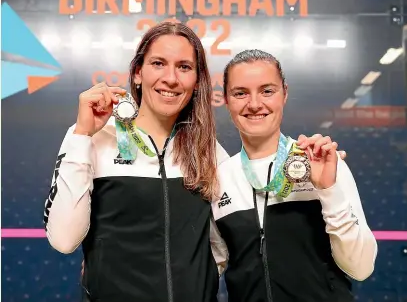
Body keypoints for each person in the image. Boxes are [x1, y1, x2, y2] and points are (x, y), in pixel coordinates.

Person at [43, 22, 231, 302]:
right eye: (158, 63)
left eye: (184, 67)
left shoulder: (207, 150)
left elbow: (223, 244)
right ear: (137, 73)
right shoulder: (93, 138)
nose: (171, 78)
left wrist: (200, 284)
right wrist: (82, 135)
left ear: (197, 81)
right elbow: (64, 240)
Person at [212, 49, 378, 302]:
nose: (254, 104)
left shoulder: (322, 162)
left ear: (284, 94)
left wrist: (328, 191)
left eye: (267, 91)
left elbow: (361, 267)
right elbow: (212, 267)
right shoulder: (220, 177)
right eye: (240, 93)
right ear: (226, 99)